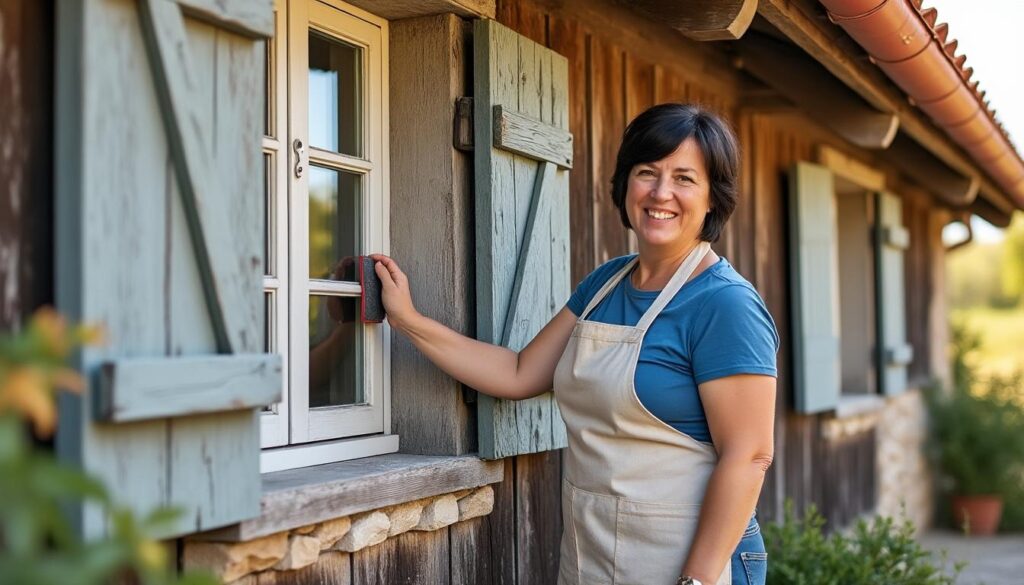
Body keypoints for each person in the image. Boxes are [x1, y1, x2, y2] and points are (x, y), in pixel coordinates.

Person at [372, 103, 778, 585]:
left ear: (713, 198)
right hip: (593, 553)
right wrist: (409, 321)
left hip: (695, 563)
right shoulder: (605, 284)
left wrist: (698, 579)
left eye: (684, 178)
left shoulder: (725, 304)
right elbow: (519, 373)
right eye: (647, 172)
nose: (661, 192)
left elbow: (749, 455)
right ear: (626, 183)